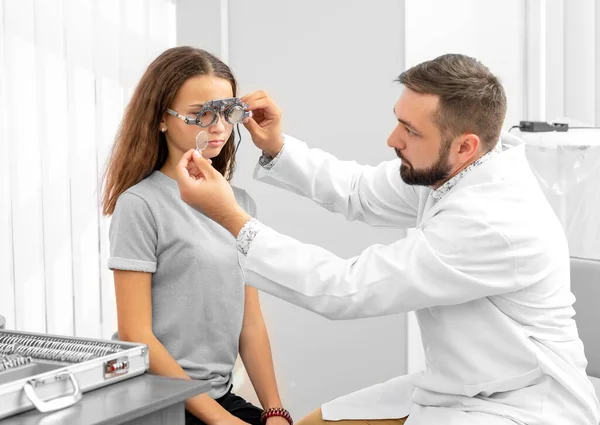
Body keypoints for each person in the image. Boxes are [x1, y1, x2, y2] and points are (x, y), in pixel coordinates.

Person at [173, 54, 600, 424]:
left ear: (465, 146)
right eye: (398, 120)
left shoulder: (492, 223)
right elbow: (359, 190)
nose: (392, 139)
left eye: (410, 131)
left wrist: (231, 218)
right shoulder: (454, 171)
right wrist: (278, 147)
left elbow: (346, 290)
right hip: (457, 386)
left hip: (518, 406)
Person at [102, 46, 291, 425]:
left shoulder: (239, 205)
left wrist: (274, 410)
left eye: (226, 112)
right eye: (200, 115)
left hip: (219, 397)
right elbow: (135, 333)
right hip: (155, 403)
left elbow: (249, 322)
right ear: (160, 119)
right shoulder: (140, 204)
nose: (218, 126)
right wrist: (221, 421)